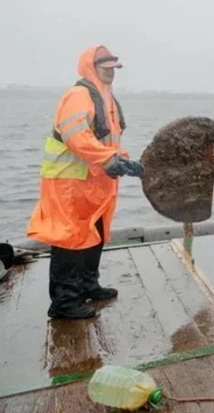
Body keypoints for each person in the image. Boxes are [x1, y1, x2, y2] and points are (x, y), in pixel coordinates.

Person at [26, 46, 144, 320]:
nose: (110, 70)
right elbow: (76, 136)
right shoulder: (79, 95)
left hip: (96, 183)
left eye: (114, 66)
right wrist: (107, 159)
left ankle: (88, 285)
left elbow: (108, 140)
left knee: (96, 233)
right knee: (70, 238)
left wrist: (125, 160)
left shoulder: (107, 98)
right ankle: (64, 303)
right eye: (105, 65)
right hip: (70, 182)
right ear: (90, 66)